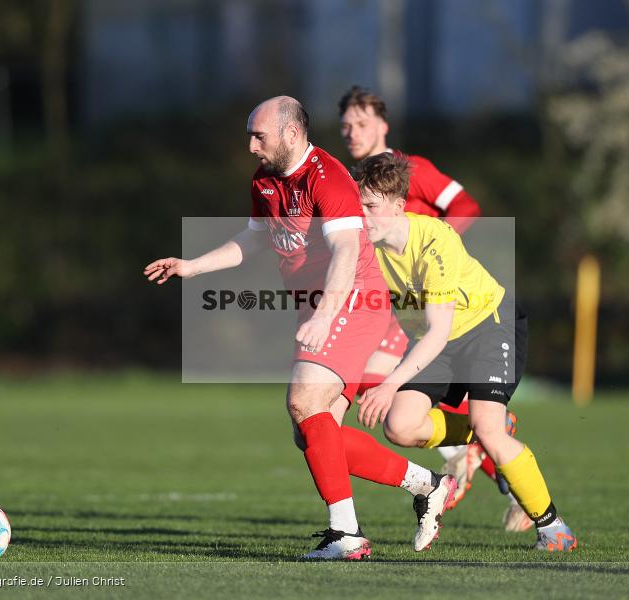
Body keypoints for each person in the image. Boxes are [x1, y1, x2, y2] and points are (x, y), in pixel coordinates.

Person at [144, 97, 456, 561]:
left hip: (351, 299)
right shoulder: (265, 180)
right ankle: (428, 485)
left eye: (259, 135)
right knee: (313, 430)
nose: (251, 146)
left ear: (291, 134)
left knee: (303, 402)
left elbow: (347, 253)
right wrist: (194, 267)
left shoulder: (326, 177)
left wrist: (326, 315)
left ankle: (346, 535)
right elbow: (253, 239)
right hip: (321, 307)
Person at [351, 153, 578, 551]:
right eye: (359, 204)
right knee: (399, 427)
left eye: (370, 206)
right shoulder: (366, 248)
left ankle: (554, 528)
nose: (362, 214)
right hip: (436, 340)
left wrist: (389, 384)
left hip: (487, 326)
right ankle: (482, 431)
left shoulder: (434, 240)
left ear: (398, 205)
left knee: (488, 427)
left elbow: (438, 332)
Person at [338, 86, 529, 531]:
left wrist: (433, 248)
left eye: (362, 124)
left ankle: (470, 447)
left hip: (431, 299)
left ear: (383, 125)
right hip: (389, 298)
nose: (352, 133)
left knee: (377, 380)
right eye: (346, 126)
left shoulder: (413, 169)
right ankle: (473, 441)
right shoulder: (353, 180)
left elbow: (466, 206)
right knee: (375, 383)